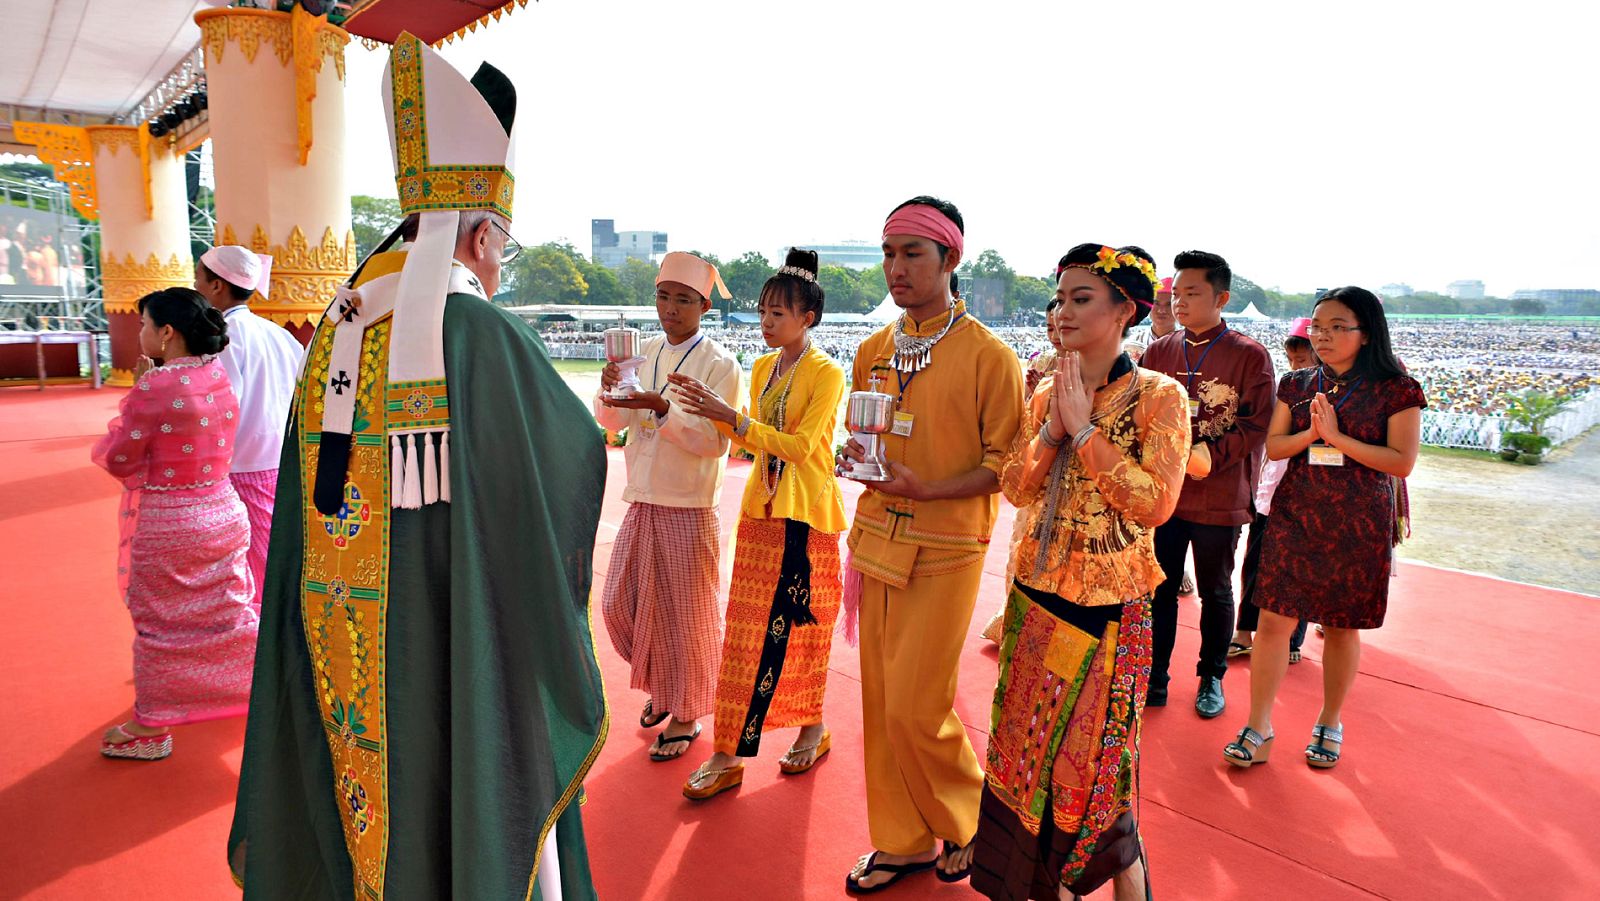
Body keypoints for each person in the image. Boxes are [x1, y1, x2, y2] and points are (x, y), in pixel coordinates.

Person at [228, 34, 608, 899]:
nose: (499, 263)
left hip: (344, 643)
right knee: (461, 792)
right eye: (502, 245)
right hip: (454, 637)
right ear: (478, 232)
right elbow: (566, 470)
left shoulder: (339, 328)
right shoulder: (477, 333)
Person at [973, 244, 1188, 901]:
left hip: (1108, 610)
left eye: (1082, 298)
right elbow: (1015, 486)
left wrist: (1085, 431)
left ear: (1126, 310)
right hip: (1035, 597)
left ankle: (1095, 879)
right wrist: (1052, 431)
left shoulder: (1160, 397)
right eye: (1060, 297)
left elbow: (1156, 503)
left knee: (1089, 761)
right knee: (1023, 749)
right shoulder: (1045, 390)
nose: (1063, 310)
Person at [838, 196, 1024, 892]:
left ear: (951, 258)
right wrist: (857, 460)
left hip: (947, 546)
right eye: (889, 254)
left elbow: (1006, 466)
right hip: (877, 538)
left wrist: (929, 488)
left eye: (912, 253)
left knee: (917, 707)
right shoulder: (873, 350)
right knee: (882, 704)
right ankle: (903, 840)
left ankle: (973, 818)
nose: (897, 268)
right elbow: (868, 438)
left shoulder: (988, 356)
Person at [669, 248, 849, 800]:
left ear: (807, 318)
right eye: (763, 311)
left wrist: (732, 418)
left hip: (805, 520)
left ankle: (809, 728)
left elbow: (801, 447)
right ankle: (730, 751)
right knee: (747, 637)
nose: (766, 322)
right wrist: (720, 415)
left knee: (800, 636)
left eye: (778, 313)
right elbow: (753, 441)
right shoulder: (764, 368)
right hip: (761, 514)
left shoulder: (827, 373)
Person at [1224, 287, 1425, 771]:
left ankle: (1329, 720)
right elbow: (1275, 447)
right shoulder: (1296, 384)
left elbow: (1401, 462)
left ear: (1367, 332)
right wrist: (1311, 435)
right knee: (1273, 621)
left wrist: (1336, 437)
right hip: (1297, 513)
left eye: (1338, 327)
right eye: (1318, 327)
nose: (1323, 336)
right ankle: (1258, 725)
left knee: (1340, 626)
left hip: (1358, 521)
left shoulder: (1397, 389)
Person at [91, 287, 256, 761]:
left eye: (144, 324)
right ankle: (270, 690)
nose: (140, 332)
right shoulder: (215, 372)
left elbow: (121, 459)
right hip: (224, 512)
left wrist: (138, 394)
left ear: (166, 332)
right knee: (230, 617)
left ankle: (151, 727)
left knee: (160, 626)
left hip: (173, 523)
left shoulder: (156, 385)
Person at [594, 250, 741, 762]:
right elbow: (613, 424)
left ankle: (685, 714)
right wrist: (608, 392)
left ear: (704, 306)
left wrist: (661, 407)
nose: (670, 308)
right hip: (643, 497)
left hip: (689, 504)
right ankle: (665, 684)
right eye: (663, 297)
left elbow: (716, 443)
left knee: (688, 619)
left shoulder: (720, 364)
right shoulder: (644, 352)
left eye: (683, 299)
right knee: (620, 603)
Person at [1140, 250, 1274, 717]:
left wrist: (1208, 457)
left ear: (1221, 298)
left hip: (1219, 495)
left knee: (1216, 590)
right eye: (1176, 294)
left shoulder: (1249, 354)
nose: (1179, 302)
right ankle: (1154, 675)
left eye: (1192, 293)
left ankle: (1211, 676)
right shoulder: (1160, 350)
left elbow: (1255, 424)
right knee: (1159, 588)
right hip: (1165, 495)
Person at [195, 245, 305, 615]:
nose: (196, 288)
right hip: (281, 455)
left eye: (198, 280)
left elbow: (221, 408)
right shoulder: (277, 333)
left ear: (215, 286)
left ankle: (265, 624)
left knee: (255, 552)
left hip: (241, 461)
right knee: (276, 542)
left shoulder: (224, 336)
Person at [1230, 318, 1315, 663]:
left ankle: (1294, 638)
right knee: (1255, 562)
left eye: (1302, 359)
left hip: (1308, 496)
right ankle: (1243, 631)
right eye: (1291, 360)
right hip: (1270, 491)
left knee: (1300, 570)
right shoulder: (1288, 388)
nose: (1295, 366)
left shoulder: (1332, 392)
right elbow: (1271, 441)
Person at [983, 298, 1066, 644]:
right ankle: (1014, 622)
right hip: (1036, 472)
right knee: (1020, 551)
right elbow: (1021, 424)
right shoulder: (1041, 363)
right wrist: (1031, 394)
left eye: (1059, 325)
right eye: (1049, 327)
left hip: (1069, 479)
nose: (1056, 333)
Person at [1122, 276, 1175, 360]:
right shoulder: (1133, 342)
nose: (1161, 310)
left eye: (1169, 304)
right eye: (1156, 303)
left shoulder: (1187, 344)